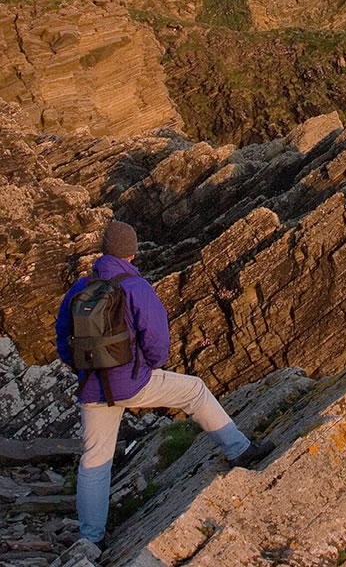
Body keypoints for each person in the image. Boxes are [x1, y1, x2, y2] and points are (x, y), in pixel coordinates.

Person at [56, 220, 274, 547]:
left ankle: (90, 539)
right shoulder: (136, 286)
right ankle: (239, 450)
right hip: (133, 382)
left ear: (104, 251)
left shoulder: (79, 288)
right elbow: (157, 341)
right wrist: (148, 367)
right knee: (195, 391)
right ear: (132, 254)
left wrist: (84, 370)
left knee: (94, 461)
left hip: (92, 387)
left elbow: (63, 338)